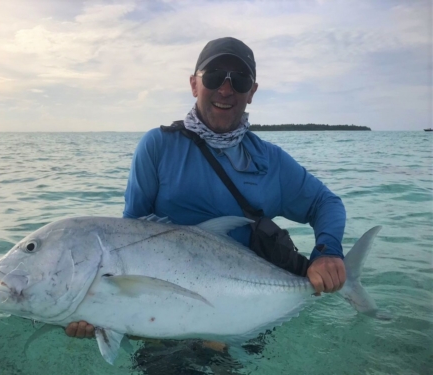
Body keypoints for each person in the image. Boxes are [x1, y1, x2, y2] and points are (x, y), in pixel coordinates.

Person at [65, 37, 347, 345]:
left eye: (239, 80)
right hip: (164, 318)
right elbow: (128, 241)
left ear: (251, 92)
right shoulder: (158, 147)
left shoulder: (271, 161)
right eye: (214, 76)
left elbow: (326, 203)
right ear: (194, 84)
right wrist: (97, 307)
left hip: (245, 311)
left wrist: (328, 253)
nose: (226, 90)